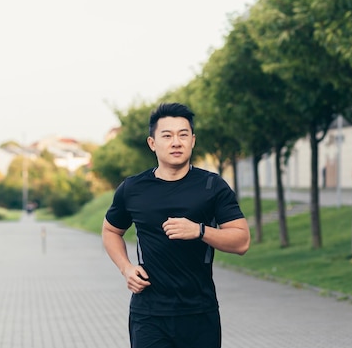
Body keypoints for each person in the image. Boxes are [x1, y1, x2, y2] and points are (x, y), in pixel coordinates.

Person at [102, 102, 250, 348]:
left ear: (193, 140)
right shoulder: (133, 188)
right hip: (149, 313)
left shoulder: (212, 186)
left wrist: (199, 231)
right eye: (167, 135)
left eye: (183, 135)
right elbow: (111, 231)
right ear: (152, 143)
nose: (176, 142)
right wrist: (126, 268)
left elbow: (242, 241)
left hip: (199, 313)